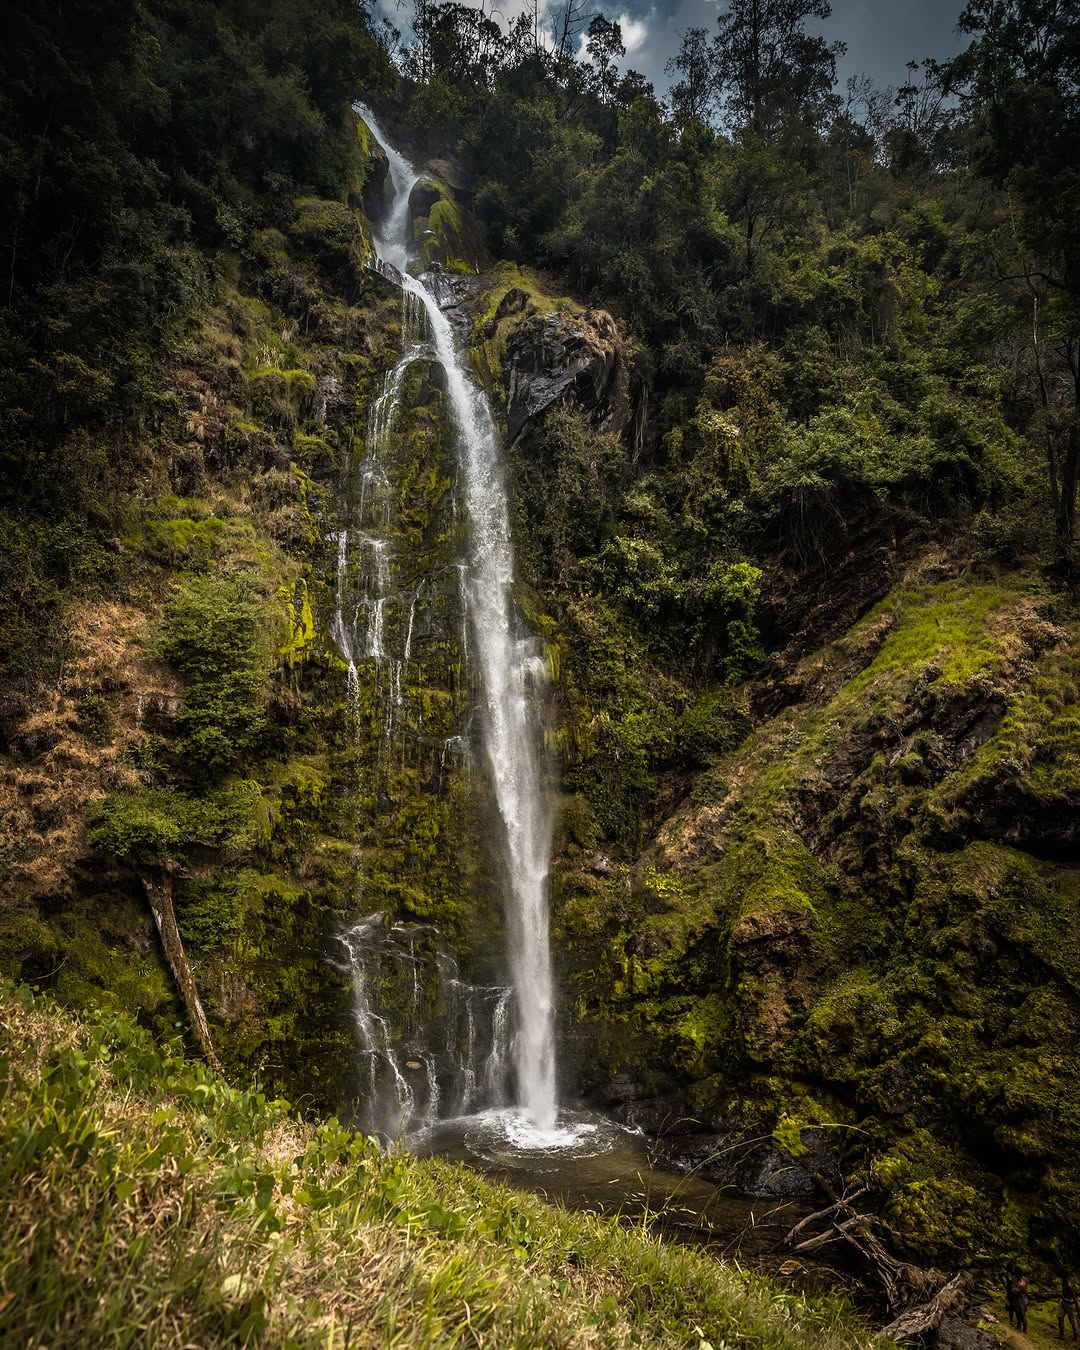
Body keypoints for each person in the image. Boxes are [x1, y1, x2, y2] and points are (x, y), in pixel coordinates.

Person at [1060, 1272, 1079, 1341]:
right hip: (1064, 1302)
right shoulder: (1063, 1282)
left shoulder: (1069, 1285)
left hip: (1070, 1305)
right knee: (1059, 1316)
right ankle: (1061, 1334)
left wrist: (1077, 1308)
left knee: (1073, 1321)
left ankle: (1076, 1335)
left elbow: (1075, 1297)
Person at [1010, 1269, 1030, 1334]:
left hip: (1022, 1298)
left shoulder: (1023, 1281)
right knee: (1017, 1312)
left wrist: (1013, 1289)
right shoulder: (1019, 1279)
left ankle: (1025, 1329)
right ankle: (1019, 1326)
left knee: (1022, 1314)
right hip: (1018, 1297)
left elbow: (1017, 1290)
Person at [1005, 1261, 1018, 1327]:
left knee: (1015, 1305)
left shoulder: (1013, 1274)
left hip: (1015, 1291)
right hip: (1010, 1291)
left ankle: (1015, 1320)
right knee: (1012, 1306)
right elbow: (1010, 1281)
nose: (1013, 1268)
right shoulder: (1008, 1274)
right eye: (1012, 1267)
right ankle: (1011, 1320)